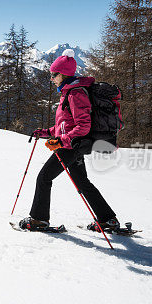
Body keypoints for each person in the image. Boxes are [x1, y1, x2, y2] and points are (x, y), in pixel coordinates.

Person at [19, 49, 119, 232]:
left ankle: (39, 219)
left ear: (63, 74)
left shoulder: (75, 94)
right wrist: (46, 132)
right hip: (73, 145)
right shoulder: (68, 92)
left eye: (53, 74)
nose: (51, 78)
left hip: (71, 146)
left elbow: (83, 126)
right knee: (82, 182)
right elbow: (66, 125)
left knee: (44, 177)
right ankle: (108, 219)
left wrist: (60, 141)